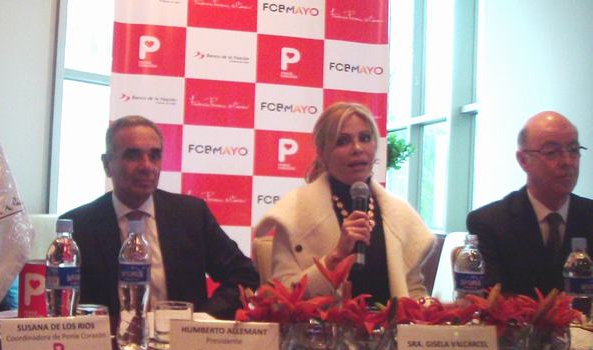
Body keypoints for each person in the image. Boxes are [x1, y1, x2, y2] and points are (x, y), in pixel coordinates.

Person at [61, 115, 259, 319]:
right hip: (109, 338)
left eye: (154, 156)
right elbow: (64, 303)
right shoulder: (79, 226)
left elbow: (244, 274)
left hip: (181, 336)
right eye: (133, 156)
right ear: (107, 164)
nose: (147, 166)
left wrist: (200, 319)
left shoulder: (191, 215)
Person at [255, 102, 434, 303]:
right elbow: (283, 298)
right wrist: (335, 257)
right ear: (322, 153)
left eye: (365, 138)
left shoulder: (400, 214)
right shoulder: (293, 213)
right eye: (342, 141)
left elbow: (413, 292)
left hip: (389, 323)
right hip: (320, 324)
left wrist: (444, 314)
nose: (357, 148)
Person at [467, 111, 593, 296]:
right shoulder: (489, 222)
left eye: (573, 150)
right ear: (523, 160)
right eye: (552, 152)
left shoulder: (588, 215)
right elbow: (491, 298)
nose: (567, 162)